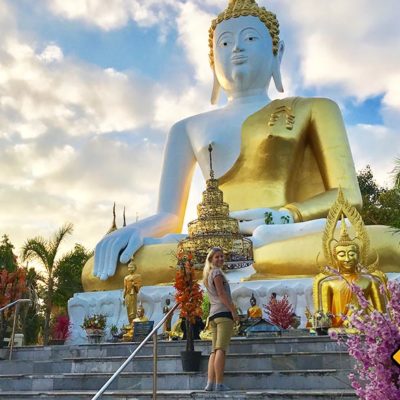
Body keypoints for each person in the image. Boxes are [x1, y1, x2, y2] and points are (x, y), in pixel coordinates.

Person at [83, 0, 400, 291]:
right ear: (212, 62)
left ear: (277, 53)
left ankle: (255, 263)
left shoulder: (315, 108)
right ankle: (247, 266)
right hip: (207, 245)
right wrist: (135, 233)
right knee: (100, 270)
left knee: (388, 243)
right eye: (224, 43)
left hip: (283, 237)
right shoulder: (186, 128)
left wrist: (282, 217)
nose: (236, 49)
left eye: (250, 38)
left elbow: (348, 197)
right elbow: (169, 215)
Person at [202, 247, 239, 392]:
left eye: (222, 256)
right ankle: (219, 384)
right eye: (217, 257)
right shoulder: (217, 273)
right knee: (221, 350)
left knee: (214, 351)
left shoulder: (208, 274)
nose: (220, 259)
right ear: (211, 259)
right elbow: (222, 294)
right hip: (223, 314)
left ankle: (210, 383)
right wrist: (233, 311)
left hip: (213, 315)